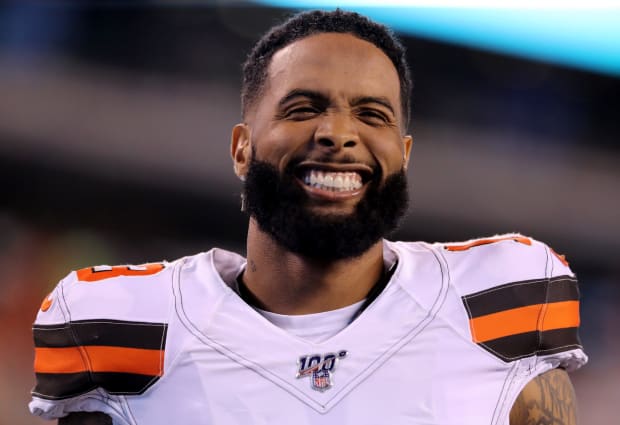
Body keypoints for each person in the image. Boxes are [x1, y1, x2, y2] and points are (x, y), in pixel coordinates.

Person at [29, 9, 586, 425]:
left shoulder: (506, 296)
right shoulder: (116, 324)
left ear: (403, 155)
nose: (338, 133)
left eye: (371, 114)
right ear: (241, 147)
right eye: (304, 108)